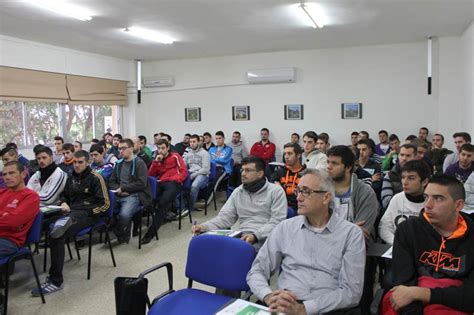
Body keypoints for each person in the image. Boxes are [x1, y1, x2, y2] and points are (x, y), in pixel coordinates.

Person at [247, 169, 366, 314]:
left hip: (327, 309)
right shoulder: (285, 228)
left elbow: (351, 292)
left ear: (326, 197)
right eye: (298, 191)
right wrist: (269, 296)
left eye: (306, 192)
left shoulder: (351, 234)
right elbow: (257, 270)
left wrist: (304, 309)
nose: (298, 198)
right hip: (285, 304)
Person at [386, 174, 474, 314]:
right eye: (426, 197)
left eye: (438, 198)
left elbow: (470, 297)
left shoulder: (471, 236)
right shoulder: (408, 230)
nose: (428, 205)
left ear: (458, 205)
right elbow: (403, 289)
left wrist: (423, 293)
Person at [32, 150, 109, 296]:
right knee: (47, 224)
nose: (77, 165)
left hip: (90, 214)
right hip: (71, 211)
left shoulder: (96, 178)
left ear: (88, 162)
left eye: (80, 162)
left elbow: (105, 205)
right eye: (74, 162)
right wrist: (64, 202)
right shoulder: (71, 177)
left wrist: (87, 212)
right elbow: (64, 195)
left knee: (57, 234)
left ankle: (56, 281)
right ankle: (62, 222)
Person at [326, 145, 379, 313]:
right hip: (324, 245)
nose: (328, 167)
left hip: (356, 250)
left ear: (348, 167)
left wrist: (330, 229)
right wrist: (348, 229)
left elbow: (360, 235)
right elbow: (314, 224)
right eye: (328, 162)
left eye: (334, 163)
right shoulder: (322, 190)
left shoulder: (365, 192)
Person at [192, 156, 287, 250]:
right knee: (204, 245)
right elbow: (224, 218)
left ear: (260, 173)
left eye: (248, 170)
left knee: (239, 254)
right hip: (244, 237)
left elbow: (277, 222)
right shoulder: (238, 192)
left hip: (267, 238)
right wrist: (205, 226)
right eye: (242, 170)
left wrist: (256, 236)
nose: (243, 174)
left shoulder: (276, 191)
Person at [144, 139, 187, 244]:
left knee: (163, 203)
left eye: (163, 148)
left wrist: (176, 179)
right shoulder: (158, 159)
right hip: (161, 182)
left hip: (174, 183)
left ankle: (150, 234)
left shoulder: (175, 156)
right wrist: (156, 162)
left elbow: (183, 171)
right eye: (159, 148)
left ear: (168, 148)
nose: (161, 151)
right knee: (147, 199)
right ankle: (161, 215)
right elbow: (150, 175)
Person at [379, 160, 431, 245]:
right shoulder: (397, 198)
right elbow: (384, 227)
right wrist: (396, 244)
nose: (405, 182)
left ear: (424, 182)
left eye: (411, 178)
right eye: (403, 177)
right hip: (397, 246)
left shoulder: (432, 202)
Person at [109, 139, 151, 244]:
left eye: (123, 148)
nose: (121, 151)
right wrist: (119, 190)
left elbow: (142, 183)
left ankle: (123, 233)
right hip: (118, 194)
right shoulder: (118, 164)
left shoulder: (139, 163)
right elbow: (111, 182)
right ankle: (124, 230)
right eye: (119, 149)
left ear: (131, 149)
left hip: (134, 195)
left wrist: (124, 188)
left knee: (124, 215)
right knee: (104, 212)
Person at [381, 144, 417, 210]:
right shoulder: (390, 175)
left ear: (415, 157)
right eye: (402, 155)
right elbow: (386, 201)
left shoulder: (422, 175)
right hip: (395, 212)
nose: (404, 158)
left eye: (408, 156)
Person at [271, 143, 305, 210]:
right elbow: (273, 191)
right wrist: (292, 191)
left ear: (298, 155)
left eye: (289, 153)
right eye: (285, 154)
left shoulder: (306, 174)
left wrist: (282, 189)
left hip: (297, 207)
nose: (286, 157)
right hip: (279, 205)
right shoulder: (279, 172)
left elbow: (303, 195)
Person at [182, 134, 210, 213]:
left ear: (198, 142)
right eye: (190, 142)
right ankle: (182, 207)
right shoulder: (188, 152)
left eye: (194, 142)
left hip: (203, 175)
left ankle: (189, 209)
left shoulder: (205, 153)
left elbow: (206, 169)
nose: (192, 144)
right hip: (190, 172)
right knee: (179, 185)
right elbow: (183, 165)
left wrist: (194, 174)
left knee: (194, 186)